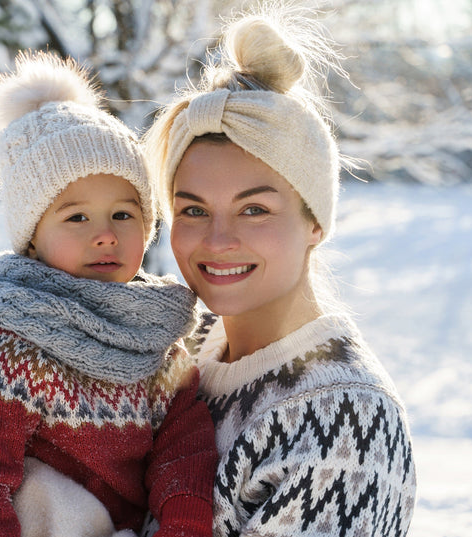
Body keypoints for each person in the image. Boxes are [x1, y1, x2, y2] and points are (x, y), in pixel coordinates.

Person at [141, 6, 417, 537]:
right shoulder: (176, 353)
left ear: (315, 221)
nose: (218, 241)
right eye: (193, 210)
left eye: (255, 209)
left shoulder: (349, 426)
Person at [0, 51, 217, 537]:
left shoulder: (157, 341)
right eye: (77, 217)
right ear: (31, 238)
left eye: (124, 215)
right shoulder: (15, 351)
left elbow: (183, 455)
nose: (106, 235)